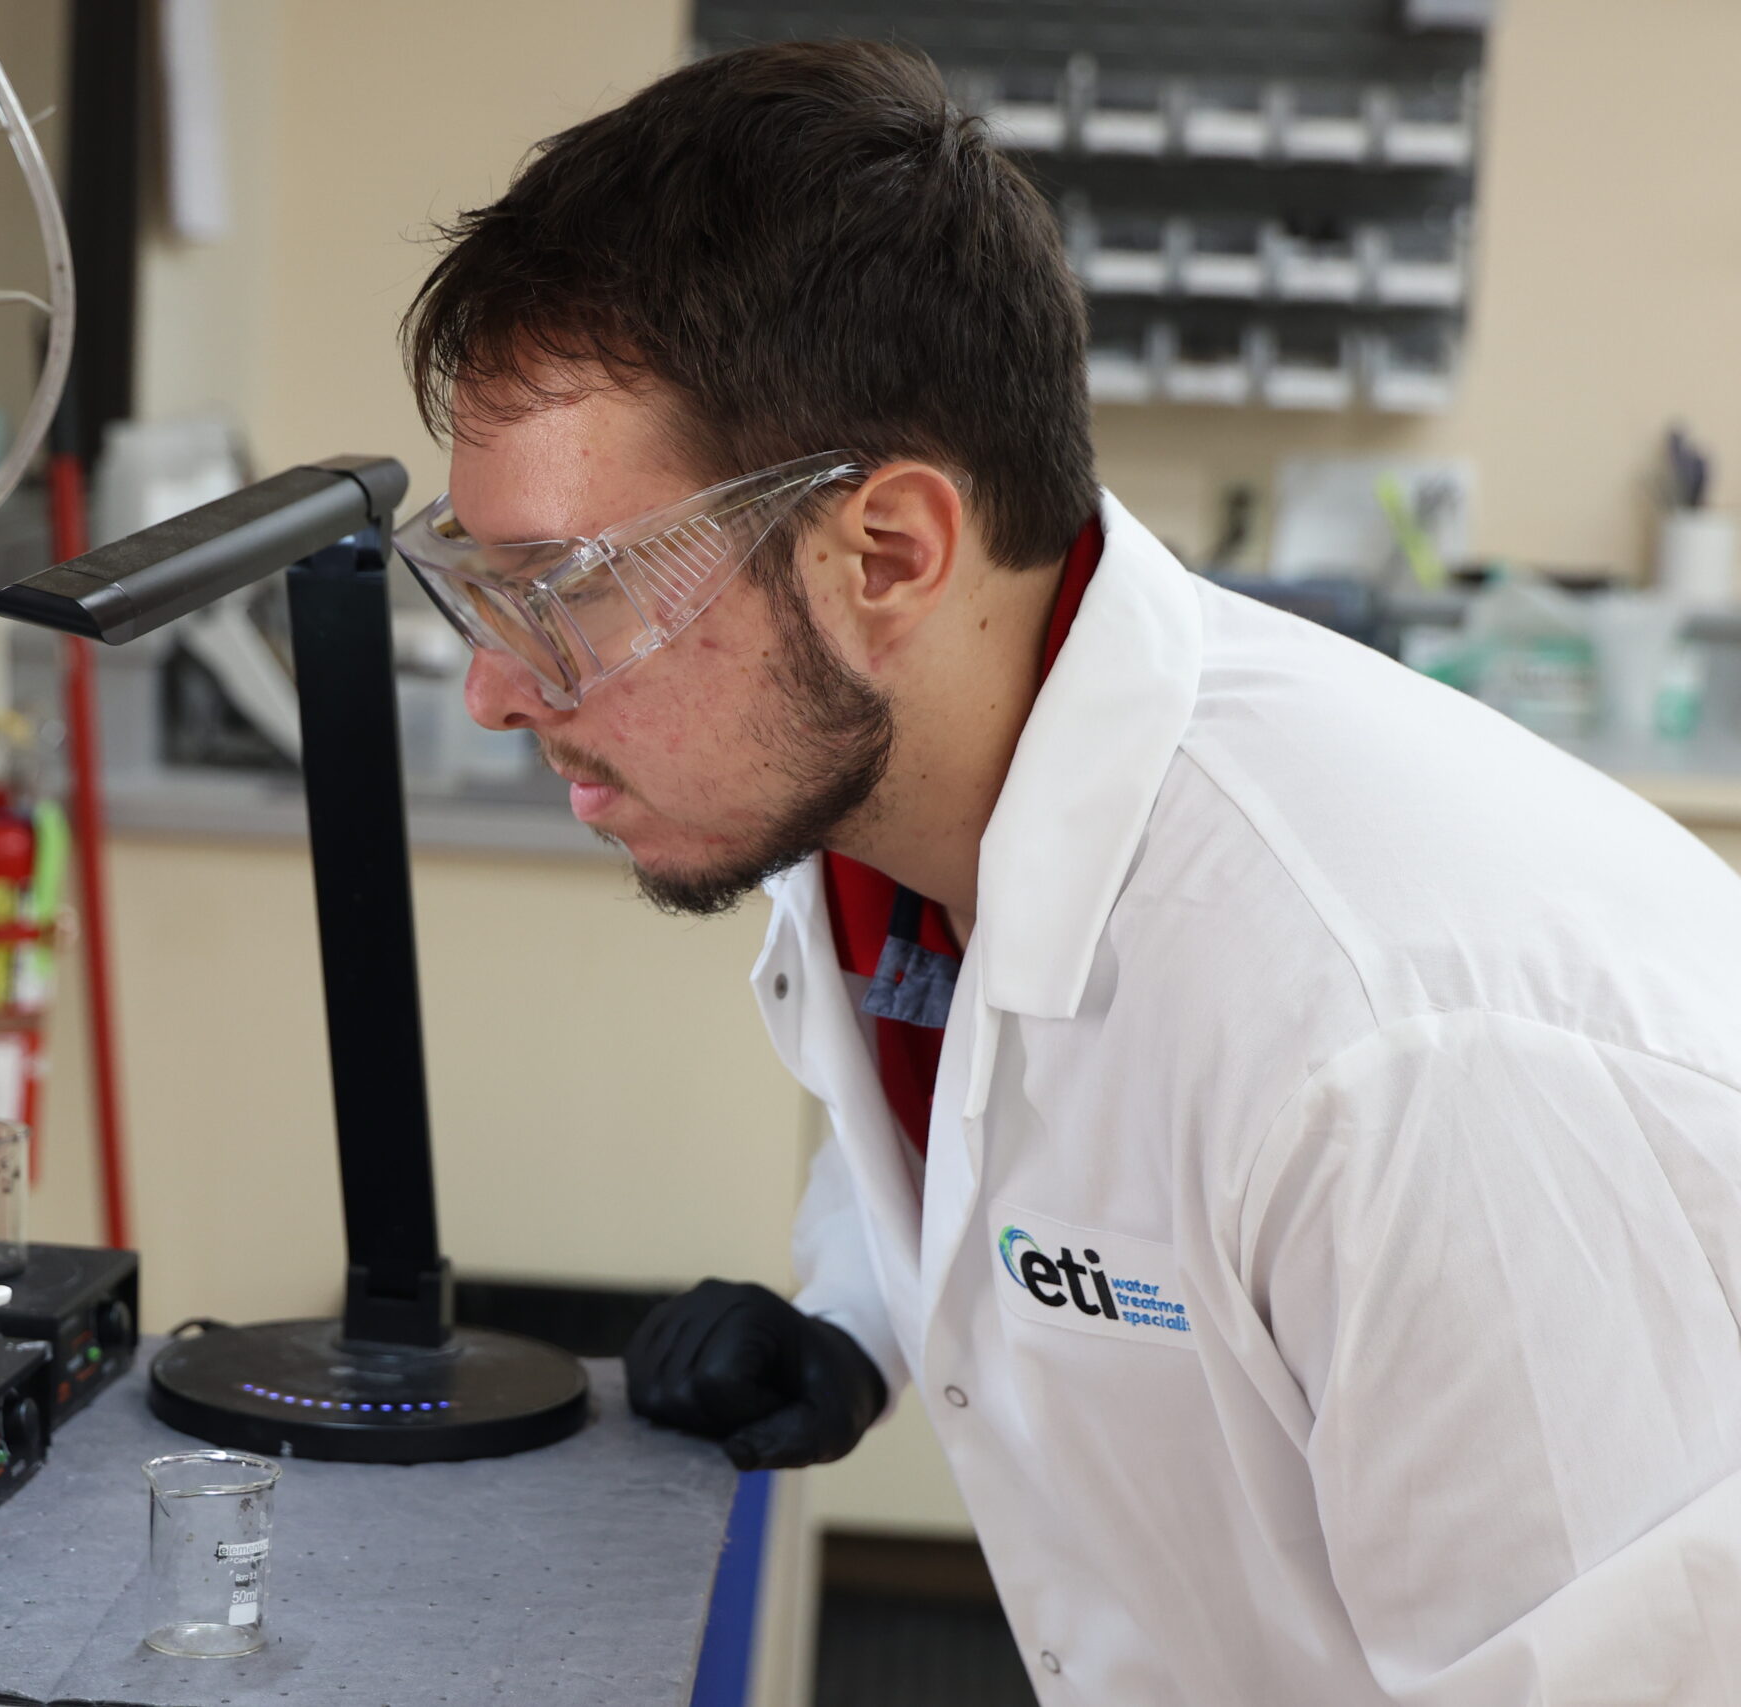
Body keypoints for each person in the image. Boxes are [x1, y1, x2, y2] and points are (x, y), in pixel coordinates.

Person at [391, 38, 1741, 1707]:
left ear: (888, 552)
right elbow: (1022, 1112)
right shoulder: (911, 811)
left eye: (571, 588)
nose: (499, 688)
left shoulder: (1395, 1051)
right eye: (480, 585)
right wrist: (860, 1316)